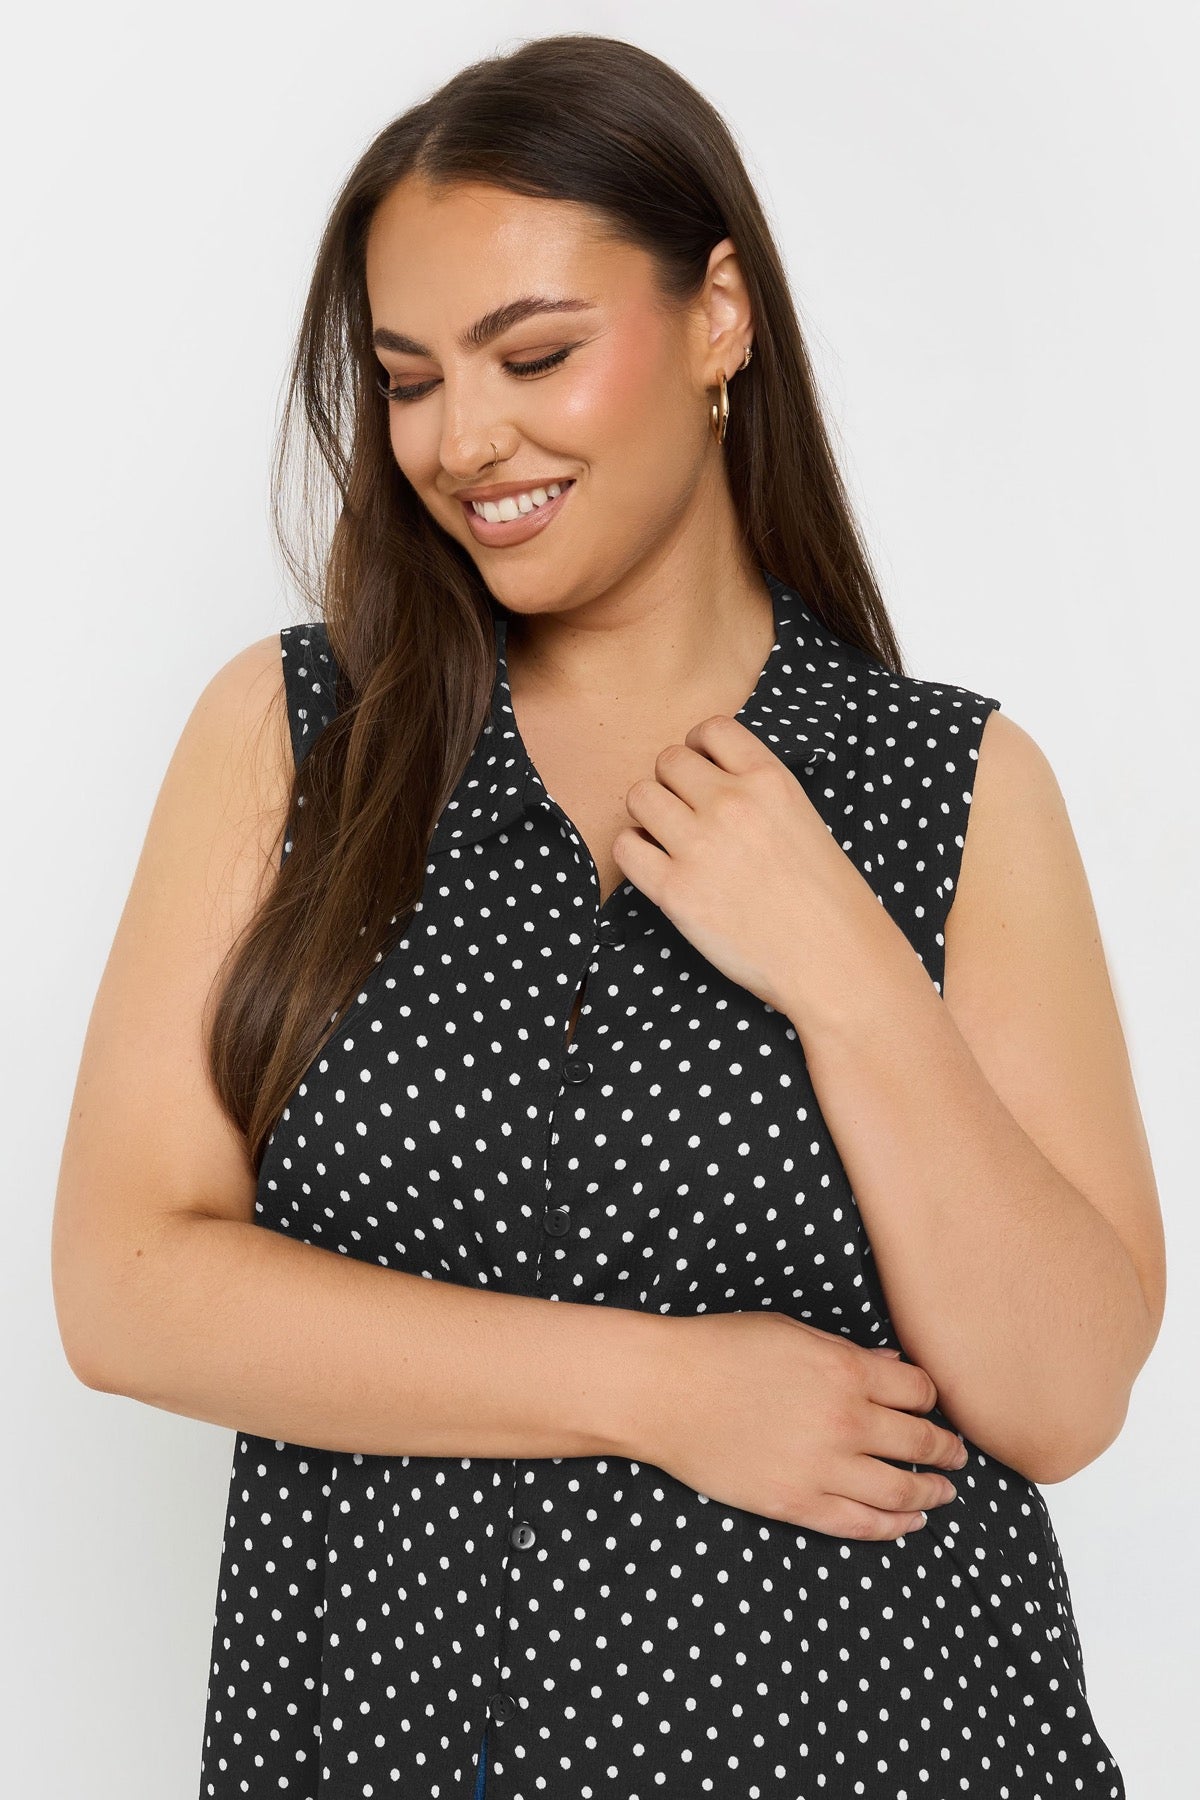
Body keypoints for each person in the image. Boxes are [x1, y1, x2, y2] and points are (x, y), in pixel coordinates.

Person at [49, 32, 1162, 1800]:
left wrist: (845, 966)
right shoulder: (297, 735)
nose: (463, 439)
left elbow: (1066, 1390)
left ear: (719, 317)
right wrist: (662, 1390)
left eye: (536, 354)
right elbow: (127, 1291)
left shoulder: (952, 784)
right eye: (409, 380)